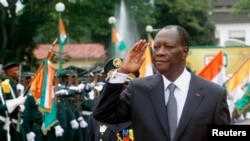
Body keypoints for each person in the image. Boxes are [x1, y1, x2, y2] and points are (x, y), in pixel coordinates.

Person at [93, 25, 230, 141]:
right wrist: (122, 72)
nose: (159, 53)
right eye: (156, 47)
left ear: (184, 51)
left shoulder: (213, 95)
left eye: (168, 47)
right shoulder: (139, 89)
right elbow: (103, 113)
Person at [86, 57, 139, 141]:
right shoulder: (95, 118)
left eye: (125, 85)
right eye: (115, 87)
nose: (119, 89)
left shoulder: (141, 117)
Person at [0, 62, 27, 141]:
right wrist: (16, 104)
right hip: (10, 122)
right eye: (16, 70)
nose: (18, 72)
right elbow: (7, 103)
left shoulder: (17, 85)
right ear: (9, 72)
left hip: (18, 121)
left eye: (18, 70)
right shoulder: (5, 85)